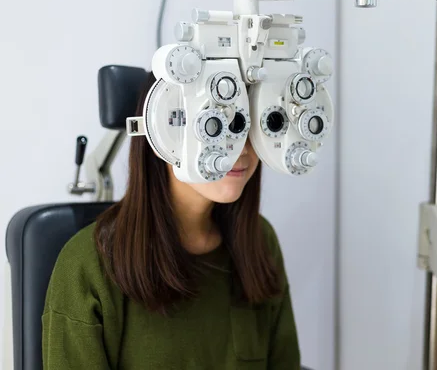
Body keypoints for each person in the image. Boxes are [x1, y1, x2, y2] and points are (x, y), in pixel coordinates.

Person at [41, 72, 301, 369]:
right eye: (215, 126)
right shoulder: (88, 266)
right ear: (162, 131)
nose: (240, 148)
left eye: (249, 125)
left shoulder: (258, 241)